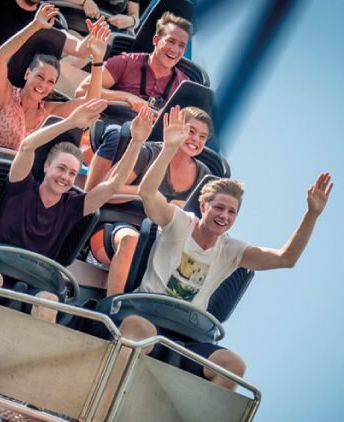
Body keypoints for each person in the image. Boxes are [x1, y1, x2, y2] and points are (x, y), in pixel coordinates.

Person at [0, 99, 156, 376]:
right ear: (46, 167)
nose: (66, 177)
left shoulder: (73, 207)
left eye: (72, 173)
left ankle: (20, 377)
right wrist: (70, 122)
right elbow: (26, 147)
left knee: (48, 300)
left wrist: (136, 142)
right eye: (61, 168)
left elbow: (113, 185)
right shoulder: (21, 186)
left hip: (36, 278)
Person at [122, 106, 333, 389]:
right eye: (219, 208)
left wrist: (312, 214)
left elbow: (286, 258)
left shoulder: (231, 250)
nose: (224, 216)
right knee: (138, 330)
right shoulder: (179, 222)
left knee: (233, 365)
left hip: (188, 335)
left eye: (231, 212)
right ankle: (115, 395)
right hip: (148, 316)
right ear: (203, 206)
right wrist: (169, 148)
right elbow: (147, 193)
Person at [0, 3, 110, 149]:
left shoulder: (47, 111)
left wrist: (97, 59)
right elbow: (0, 58)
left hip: (15, 175)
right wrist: (35, 25)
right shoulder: (6, 95)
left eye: (50, 82)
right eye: (40, 77)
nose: (43, 85)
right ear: (27, 73)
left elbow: (90, 103)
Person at [87, 106, 212, 296]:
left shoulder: (204, 175)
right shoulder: (148, 153)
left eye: (202, 137)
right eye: (191, 131)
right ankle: (113, 304)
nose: (196, 139)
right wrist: (153, 197)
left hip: (162, 239)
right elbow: (107, 191)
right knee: (132, 240)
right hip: (118, 226)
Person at [75, 11, 193, 191]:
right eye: (170, 41)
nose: (174, 50)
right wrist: (127, 97)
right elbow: (82, 91)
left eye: (181, 46)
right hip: (109, 125)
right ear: (156, 40)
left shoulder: (183, 86)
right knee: (118, 134)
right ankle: (91, 195)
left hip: (148, 140)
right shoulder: (127, 62)